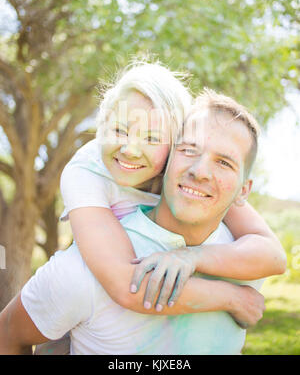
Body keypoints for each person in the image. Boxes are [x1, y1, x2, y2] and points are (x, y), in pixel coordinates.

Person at [0, 89, 285, 354]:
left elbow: (274, 256)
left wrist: (192, 257)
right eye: (188, 150)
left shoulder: (246, 264)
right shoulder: (82, 270)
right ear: (166, 161)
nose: (200, 171)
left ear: (244, 190)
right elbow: (8, 333)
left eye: (224, 162)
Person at [59, 59, 285, 315]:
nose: (130, 150)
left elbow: (273, 254)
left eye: (152, 138)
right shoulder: (85, 171)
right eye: (119, 130)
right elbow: (127, 285)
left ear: (175, 143)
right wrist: (232, 297)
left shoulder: (183, 170)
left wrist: (193, 256)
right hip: (73, 304)